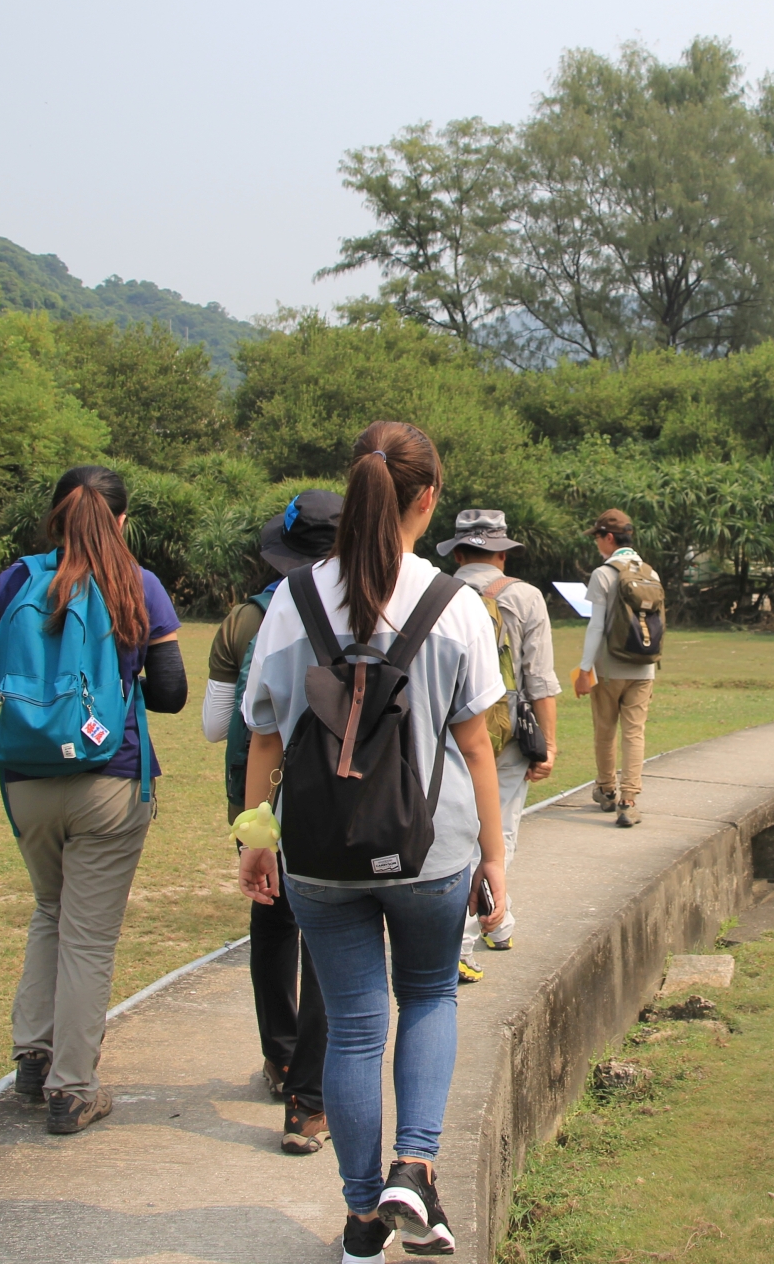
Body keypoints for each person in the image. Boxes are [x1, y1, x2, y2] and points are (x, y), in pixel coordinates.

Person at [237, 422, 507, 1263]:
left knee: (355, 1028)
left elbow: (265, 735)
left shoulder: (293, 600)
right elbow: (475, 745)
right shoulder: (455, 605)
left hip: (318, 852)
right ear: (426, 500)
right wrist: (495, 858)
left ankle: (361, 1219)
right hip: (430, 850)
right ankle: (413, 1169)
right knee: (428, 996)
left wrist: (255, 837)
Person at [0, 465, 188, 1136]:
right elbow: (170, 694)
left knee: (50, 911)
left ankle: (34, 1054)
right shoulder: (137, 585)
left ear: (56, 515)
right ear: (119, 520)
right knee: (88, 935)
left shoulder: (12, 582)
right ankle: (72, 1088)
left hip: (24, 783)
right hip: (108, 783)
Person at [202, 489, 340, 1155]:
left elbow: (217, 725)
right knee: (326, 936)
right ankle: (306, 1101)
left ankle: (279, 1056)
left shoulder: (247, 618)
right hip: (338, 800)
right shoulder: (364, 606)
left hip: (264, 797)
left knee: (272, 919)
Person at [438, 509, 559, 981]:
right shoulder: (524, 596)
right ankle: (464, 939)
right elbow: (540, 679)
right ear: (501, 554)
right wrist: (547, 743)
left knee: (451, 826)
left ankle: (498, 921)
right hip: (505, 731)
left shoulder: (435, 593)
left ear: (460, 553)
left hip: (445, 729)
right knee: (497, 830)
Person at [576, 508, 657, 828]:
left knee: (605, 730)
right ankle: (629, 801)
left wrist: (584, 670)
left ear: (609, 538)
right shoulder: (651, 573)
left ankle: (607, 790)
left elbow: (596, 627)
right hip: (644, 668)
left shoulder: (603, 574)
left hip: (609, 668)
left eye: (597, 537)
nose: (596, 543)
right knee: (634, 733)